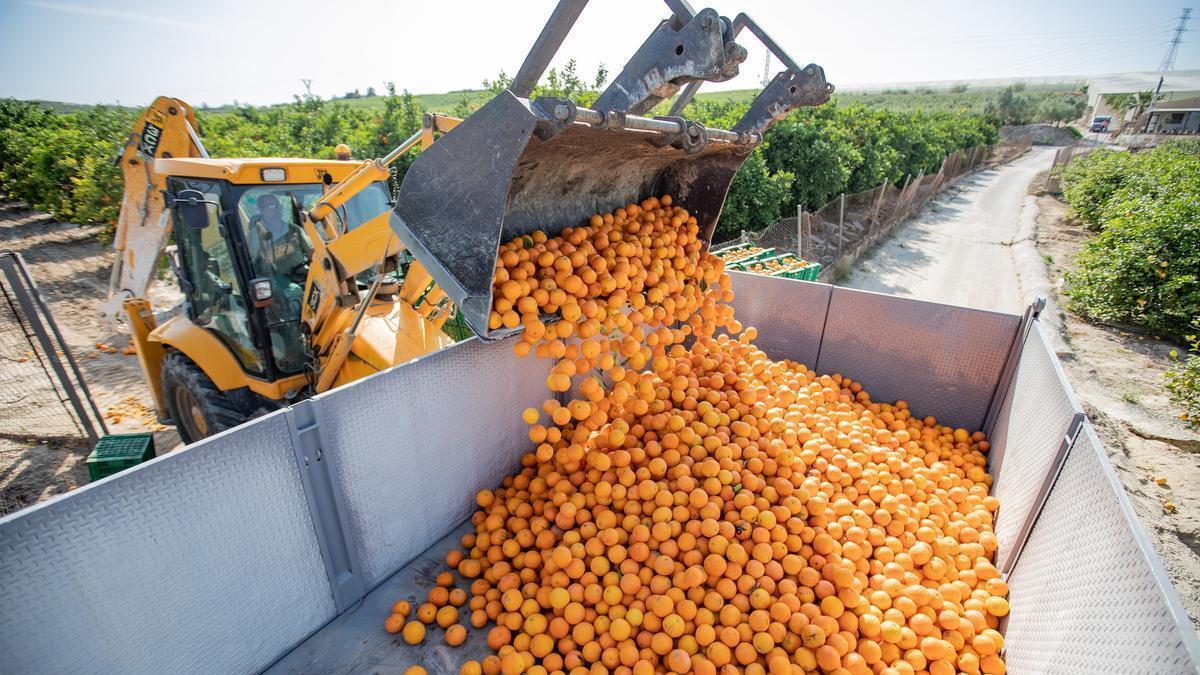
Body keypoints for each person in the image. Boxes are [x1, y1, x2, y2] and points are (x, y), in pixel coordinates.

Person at [247, 193, 312, 372]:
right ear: (261, 210)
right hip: (274, 280)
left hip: (300, 273)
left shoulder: (294, 230)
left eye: (279, 206)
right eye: (271, 207)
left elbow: (312, 253)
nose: (277, 210)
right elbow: (252, 262)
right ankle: (295, 351)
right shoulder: (257, 234)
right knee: (293, 297)